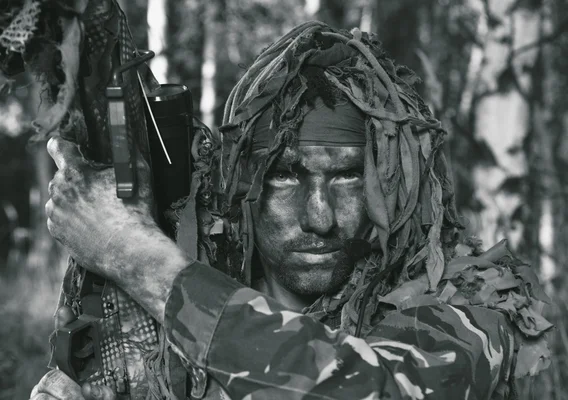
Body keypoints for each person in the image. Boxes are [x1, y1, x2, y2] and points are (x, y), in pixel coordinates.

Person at [30, 21, 550, 400]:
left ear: (394, 186)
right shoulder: (211, 267)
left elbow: (366, 387)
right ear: (241, 186)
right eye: (284, 174)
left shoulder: (470, 303)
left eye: (348, 175)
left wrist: (131, 253)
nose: (319, 216)